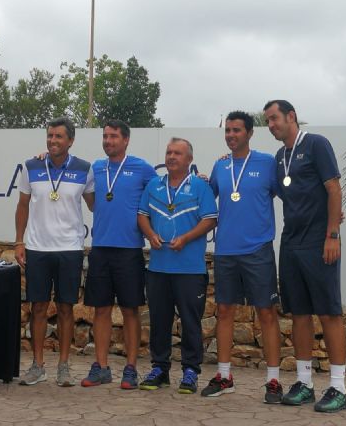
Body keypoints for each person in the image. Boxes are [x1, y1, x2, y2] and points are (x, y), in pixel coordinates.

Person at [264, 99, 346, 413]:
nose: (271, 125)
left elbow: (334, 189)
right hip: (291, 243)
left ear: (291, 116)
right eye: (267, 121)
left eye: (274, 118)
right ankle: (304, 383)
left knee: (329, 313)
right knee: (299, 314)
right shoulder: (279, 157)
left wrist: (332, 234)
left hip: (319, 241)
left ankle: (339, 388)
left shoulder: (316, 144)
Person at [201, 111, 285, 404]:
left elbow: (291, 196)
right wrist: (200, 181)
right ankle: (224, 376)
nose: (231, 135)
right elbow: (206, 198)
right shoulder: (220, 165)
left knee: (266, 314)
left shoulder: (267, 163)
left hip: (258, 250)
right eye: (228, 130)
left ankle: (273, 380)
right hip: (225, 250)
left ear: (250, 133)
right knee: (224, 312)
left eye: (236, 130)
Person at [15, 117, 94, 386]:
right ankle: (38, 366)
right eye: (50, 136)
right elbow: (22, 205)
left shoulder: (84, 169)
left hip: (69, 248)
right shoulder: (31, 166)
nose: (52, 141)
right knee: (37, 307)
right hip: (37, 247)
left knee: (65, 308)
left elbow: (95, 205)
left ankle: (63, 366)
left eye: (59, 136)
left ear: (70, 140)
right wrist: (19, 242)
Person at [137, 138, 217, 394]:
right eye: (169, 152)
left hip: (190, 269)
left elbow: (210, 220)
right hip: (158, 268)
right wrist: (150, 234)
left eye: (177, 153)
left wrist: (186, 238)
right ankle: (159, 369)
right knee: (159, 321)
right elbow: (142, 215)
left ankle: (191, 371)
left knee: (191, 323)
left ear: (189, 159)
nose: (171, 157)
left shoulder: (200, 187)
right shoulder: (154, 185)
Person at [81, 119, 157, 389]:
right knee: (101, 310)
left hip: (129, 249)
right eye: (105, 136)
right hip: (101, 248)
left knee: (130, 310)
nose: (108, 141)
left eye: (113, 136)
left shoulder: (142, 167)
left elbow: (164, 189)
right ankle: (101, 367)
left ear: (126, 140)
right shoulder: (96, 168)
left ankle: (131, 368)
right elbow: (90, 200)